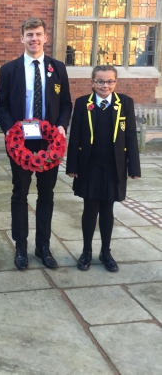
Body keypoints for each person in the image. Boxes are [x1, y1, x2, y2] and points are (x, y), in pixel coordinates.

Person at [0, 17, 72, 270]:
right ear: (22, 38)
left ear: (45, 37)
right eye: (29, 35)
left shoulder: (57, 68)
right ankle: (21, 247)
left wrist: (61, 125)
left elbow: (66, 104)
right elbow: (2, 106)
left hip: (49, 143)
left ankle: (43, 247)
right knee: (20, 194)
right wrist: (10, 132)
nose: (34, 39)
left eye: (38, 34)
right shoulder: (9, 70)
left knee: (46, 195)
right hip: (20, 143)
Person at [66, 65, 141, 272]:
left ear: (115, 83)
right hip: (89, 165)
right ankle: (86, 251)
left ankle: (105, 252)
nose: (104, 85)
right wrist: (72, 164)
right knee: (90, 209)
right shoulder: (83, 103)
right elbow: (75, 136)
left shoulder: (125, 103)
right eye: (100, 81)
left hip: (113, 166)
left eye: (109, 81)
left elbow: (131, 136)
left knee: (108, 209)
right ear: (92, 82)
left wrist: (133, 166)